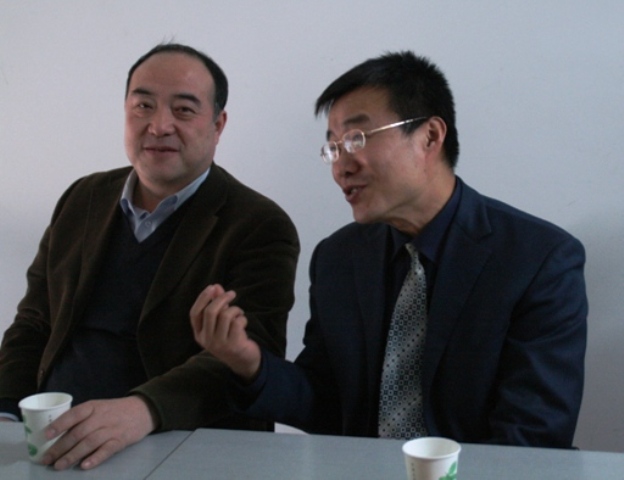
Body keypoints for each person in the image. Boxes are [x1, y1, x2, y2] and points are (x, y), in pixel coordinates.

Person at [191, 51, 588, 449]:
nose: (341, 167)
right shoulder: (338, 258)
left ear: (430, 136)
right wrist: (248, 363)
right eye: (333, 148)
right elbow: (325, 404)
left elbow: (533, 437)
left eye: (356, 139)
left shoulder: (538, 260)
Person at [0, 43, 299, 470]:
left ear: (218, 125)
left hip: (182, 445)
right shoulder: (83, 198)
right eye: (143, 106)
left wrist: (143, 410)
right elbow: (34, 321)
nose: (159, 126)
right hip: (56, 442)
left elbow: (249, 358)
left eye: (183, 110)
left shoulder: (259, 225)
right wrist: (7, 411)